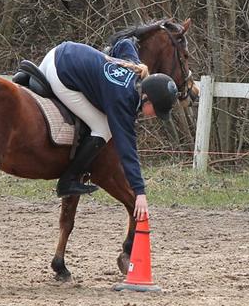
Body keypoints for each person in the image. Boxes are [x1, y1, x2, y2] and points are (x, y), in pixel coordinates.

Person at [38, 41, 178, 221]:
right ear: (146, 98)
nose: (155, 116)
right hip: (60, 73)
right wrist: (139, 192)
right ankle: (69, 180)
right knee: (103, 128)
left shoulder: (135, 70)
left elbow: (125, 43)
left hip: (58, 53)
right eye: (156, 110)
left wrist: (107, 60)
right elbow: (127, 149)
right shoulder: (123, 99)